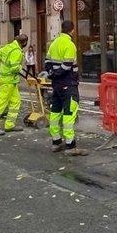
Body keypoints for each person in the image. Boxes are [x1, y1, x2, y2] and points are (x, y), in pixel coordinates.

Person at [45, 20, 87, 156]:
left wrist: (52, 74)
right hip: (68, 83)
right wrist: (58, 74)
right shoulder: (70, 45)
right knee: (69, 113)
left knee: (55, 112)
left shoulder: (53, 43)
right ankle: (71, 146)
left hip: (56, 85)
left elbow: (47, 62)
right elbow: (67, 64)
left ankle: (56, 142)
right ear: (72, 30)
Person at [0, 34, 28, 136]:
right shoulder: (17, 52)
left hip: (9, 80)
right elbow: (14, 68)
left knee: (16, 101)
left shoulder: (8, 47)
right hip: (8, 81)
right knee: (1, 103)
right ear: (24, 43)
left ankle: (9, 124)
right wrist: (19, 67)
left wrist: (5, 63)